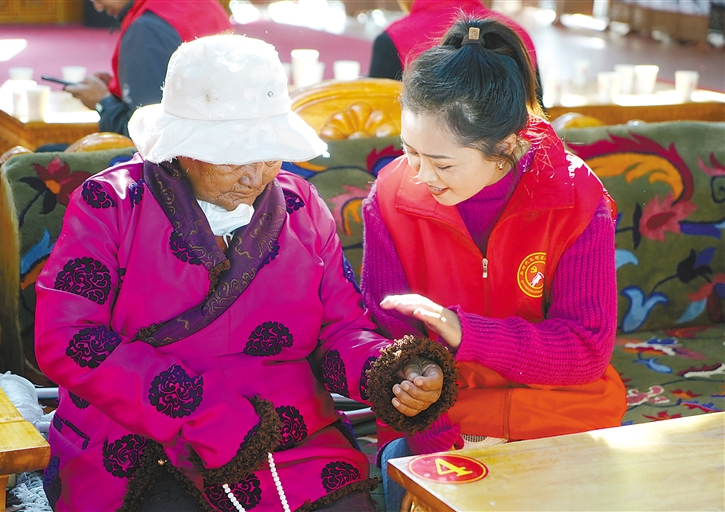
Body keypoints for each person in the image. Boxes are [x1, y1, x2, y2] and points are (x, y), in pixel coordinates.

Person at [34, 34, 456, 512]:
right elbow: (67, 338)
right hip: (142, 434)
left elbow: (340, 330)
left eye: (269, 154)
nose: (255, 177)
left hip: (288, 437)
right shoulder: (110, 204)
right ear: (182, 147)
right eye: (234, 158)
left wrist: (392, 371)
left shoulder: (300, 205)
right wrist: (196, 407)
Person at [360, 16, 627, 512]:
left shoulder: (575, 198)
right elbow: (387, 343)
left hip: (559, 415)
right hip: (445, 420)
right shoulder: (391, 198)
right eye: (410, 152)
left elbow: (587, 349)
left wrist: (467, 333)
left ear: (503, 147)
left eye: (442, 163)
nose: (421, 176)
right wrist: (430, 420)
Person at [65, 0, 231, 136]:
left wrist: (103, 102)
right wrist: (127, 84)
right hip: (226, 139)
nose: (98, 7)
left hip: (190, 154)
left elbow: (148, 136)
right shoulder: (202, 4)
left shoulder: (146, 29)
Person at [367, 0, 543, 106]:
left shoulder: (392, 37)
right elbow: (538, 111)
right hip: (516, 154)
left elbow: (378, 119)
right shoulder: (516, 32)